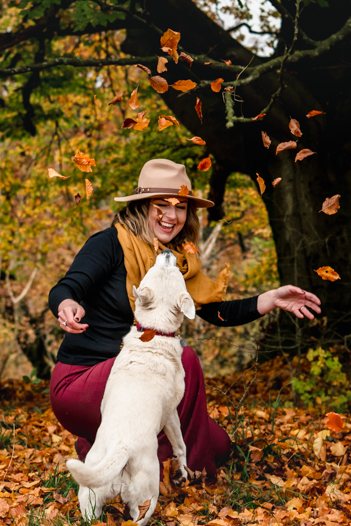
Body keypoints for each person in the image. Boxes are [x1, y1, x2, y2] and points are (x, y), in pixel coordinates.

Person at [48, 158, 321, 481]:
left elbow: (213, 312)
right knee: (183, 357)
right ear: (141, 206)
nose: (171, 215)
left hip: (138, 385)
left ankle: (103, 443)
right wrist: (66, 304)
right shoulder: (109, 244)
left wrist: (269, 300)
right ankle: (183, 475)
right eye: (161, 205)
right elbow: (68, 286)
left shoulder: (175, 261)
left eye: (180, 207)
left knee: (219, 444)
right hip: (84, 382)